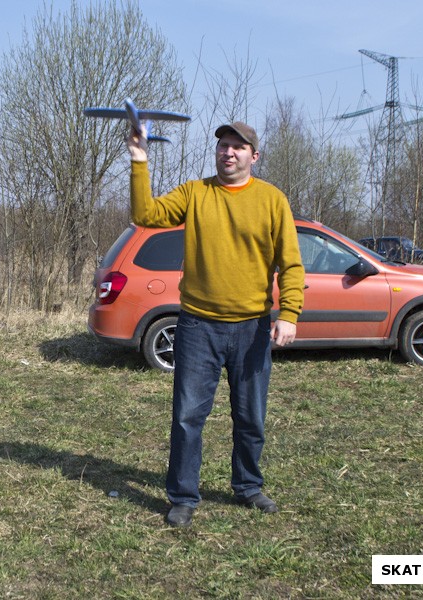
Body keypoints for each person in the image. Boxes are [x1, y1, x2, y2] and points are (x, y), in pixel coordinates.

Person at [127, 121, 304, 527]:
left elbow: (291, 264)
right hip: (197, 327)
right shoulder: (196, 193)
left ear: (253, 157)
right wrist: (139, 159)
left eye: (238, 148)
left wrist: (289, 314)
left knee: (251, 415)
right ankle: (184, 497)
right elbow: (146, 214)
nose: (229, 153)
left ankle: (248, 486)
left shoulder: (272, 200)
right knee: (188, 416)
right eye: (223, 146)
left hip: (252, 327)